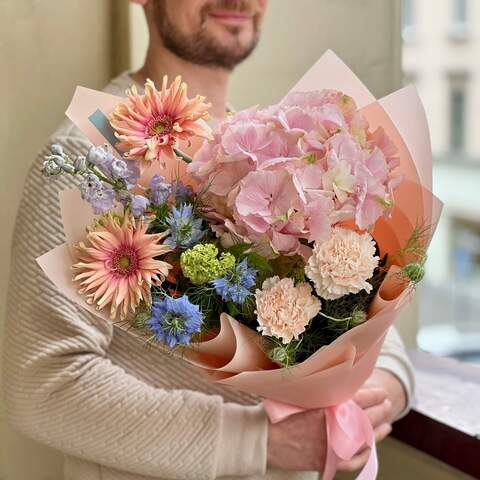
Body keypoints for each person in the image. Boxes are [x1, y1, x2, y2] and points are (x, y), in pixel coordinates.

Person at [2, 1, 414, 479]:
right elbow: (43, 384)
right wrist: (258, 441)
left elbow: (368, 308)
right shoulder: (88, 162)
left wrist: (380, 393)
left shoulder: (286, 154)